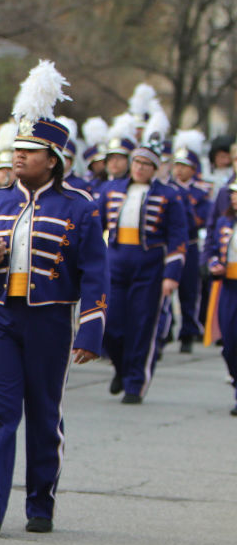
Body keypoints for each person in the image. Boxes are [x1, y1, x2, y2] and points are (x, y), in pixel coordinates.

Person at [0, 60, 108, 536]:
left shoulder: (79, 207)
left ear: (55, 159)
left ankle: (40, 503)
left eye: (30, 150)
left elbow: (95, 269)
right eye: (16, 149)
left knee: (44, 414)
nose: (18, 157)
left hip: (49, 321)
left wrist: (93, 325)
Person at [96, 129, 188, 404]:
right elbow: (94, 228)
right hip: (116, 263)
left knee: (142, 325)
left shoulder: (169, 196)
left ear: (155, 168)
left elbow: (178, 237)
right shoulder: (110, 190)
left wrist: (172, 275)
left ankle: (135, 383)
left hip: (149, 266)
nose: (139, 168)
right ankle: (121, 368)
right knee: (110, 324)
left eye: (146, 164)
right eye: (136, 162)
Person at [171, 131, 210, 353]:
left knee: (189, 291)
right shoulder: (168, 190)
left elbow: (201, 219)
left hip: (192, 244)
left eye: (185, 166)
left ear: (194, 170)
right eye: (177, 165)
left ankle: (188, 332)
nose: (179, 170)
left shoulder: (200, 193)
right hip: (172, 246)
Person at [205, 182, 237, 413]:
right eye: (234, 193)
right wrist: (213, 263)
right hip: (229, 287)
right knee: (229, 343)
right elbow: (212, 248)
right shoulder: (223, 221)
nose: (234, 198)